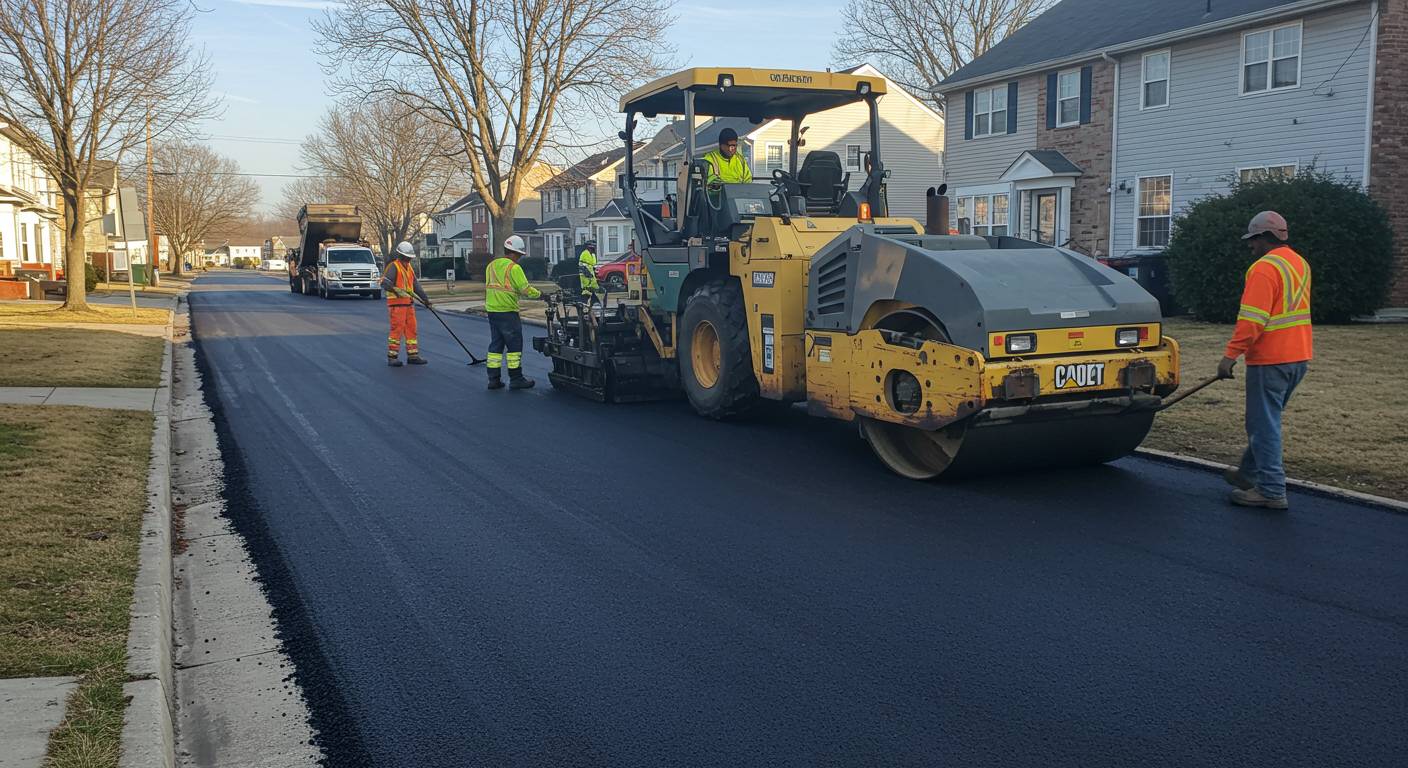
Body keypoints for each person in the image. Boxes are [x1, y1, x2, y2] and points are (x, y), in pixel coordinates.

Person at [1219, 210, 1312, 510]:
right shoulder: (1299, 263)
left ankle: (1271, 490)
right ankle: (1248, 474)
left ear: (1264, 237)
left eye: (1253, 239)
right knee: (1266, 421)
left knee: (1263, 425)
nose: (1250, 245)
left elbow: (1252, 320)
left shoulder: (1263, 268)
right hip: (1298, 357)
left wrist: (1230, 355)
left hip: (1271, 359)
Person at [484, 234, 542, 390]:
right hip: (507, 311)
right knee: (514, 346)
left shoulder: (491, 266)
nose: (520, 258)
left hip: (492, 311)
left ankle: (493, 379)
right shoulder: (514, 268)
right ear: (515, 253)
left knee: (496, 345)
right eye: (519, 255)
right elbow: (525, 289)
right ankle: (516, 378)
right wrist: (540, 294)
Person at [381, 241, 431, 367]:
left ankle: (413, 355)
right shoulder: (393, 267)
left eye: (410, 257)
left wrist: (425, 299)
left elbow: (415, 285)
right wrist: (396, 290)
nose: (409, 259)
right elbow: (385, 283)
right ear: (401, 255)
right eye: (407, 257)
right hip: (397, 306)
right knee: (397, 330)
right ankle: (392, 357)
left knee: (411, 330)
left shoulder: (409, 268)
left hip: (408, 305)